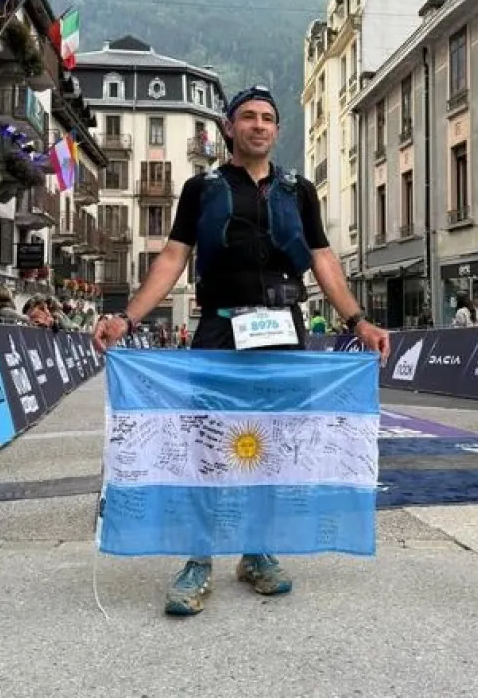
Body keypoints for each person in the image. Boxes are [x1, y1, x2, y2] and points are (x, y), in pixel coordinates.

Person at [95, 84, 389, 617]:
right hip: (218, 333)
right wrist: (127, 317)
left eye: (268, 118)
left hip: (283, 333)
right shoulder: (200, 187)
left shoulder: (299, 191)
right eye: (248, 117)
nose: (259, 125)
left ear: (277, 130)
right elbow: (173, 257)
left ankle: (257, 551)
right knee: (208, 447)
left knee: (273, 445)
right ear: (229, 128)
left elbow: (323, 259)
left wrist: (359, 319)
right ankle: (198, 559)